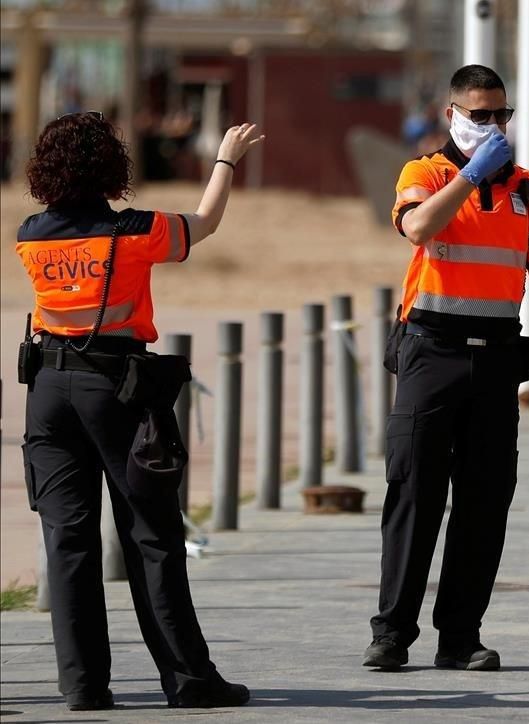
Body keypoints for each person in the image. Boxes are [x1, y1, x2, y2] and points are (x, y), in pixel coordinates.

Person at [15, 112, 262, 711]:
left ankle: (82, 685)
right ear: (111, 167)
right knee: (151, 536)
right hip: (116, 389)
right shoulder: (133, 230)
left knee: (67, 540)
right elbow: (203, 224)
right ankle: (188, 679)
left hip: (47, 388)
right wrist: (225, 160)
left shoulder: (30, 234)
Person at [363, 64, 529, 672]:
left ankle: (460, 636)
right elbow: (418, 227)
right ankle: (391, 633)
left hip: (495, 354)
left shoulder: (524, 186)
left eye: (501, 115)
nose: (492, 126)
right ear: (452, 116)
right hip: (430, 350)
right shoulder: (426, 173)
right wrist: (469, 175)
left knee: (485, 500)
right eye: (479, 115)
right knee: (414, 492)